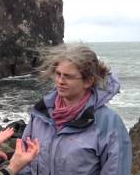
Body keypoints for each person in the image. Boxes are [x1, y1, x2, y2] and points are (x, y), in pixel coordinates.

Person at [19, 44, 132, 175]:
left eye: (68, 76)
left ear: (88, 81)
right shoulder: (40, 114)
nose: (60, 81)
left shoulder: (109, 123)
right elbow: (23, 162)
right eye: (58, 74)